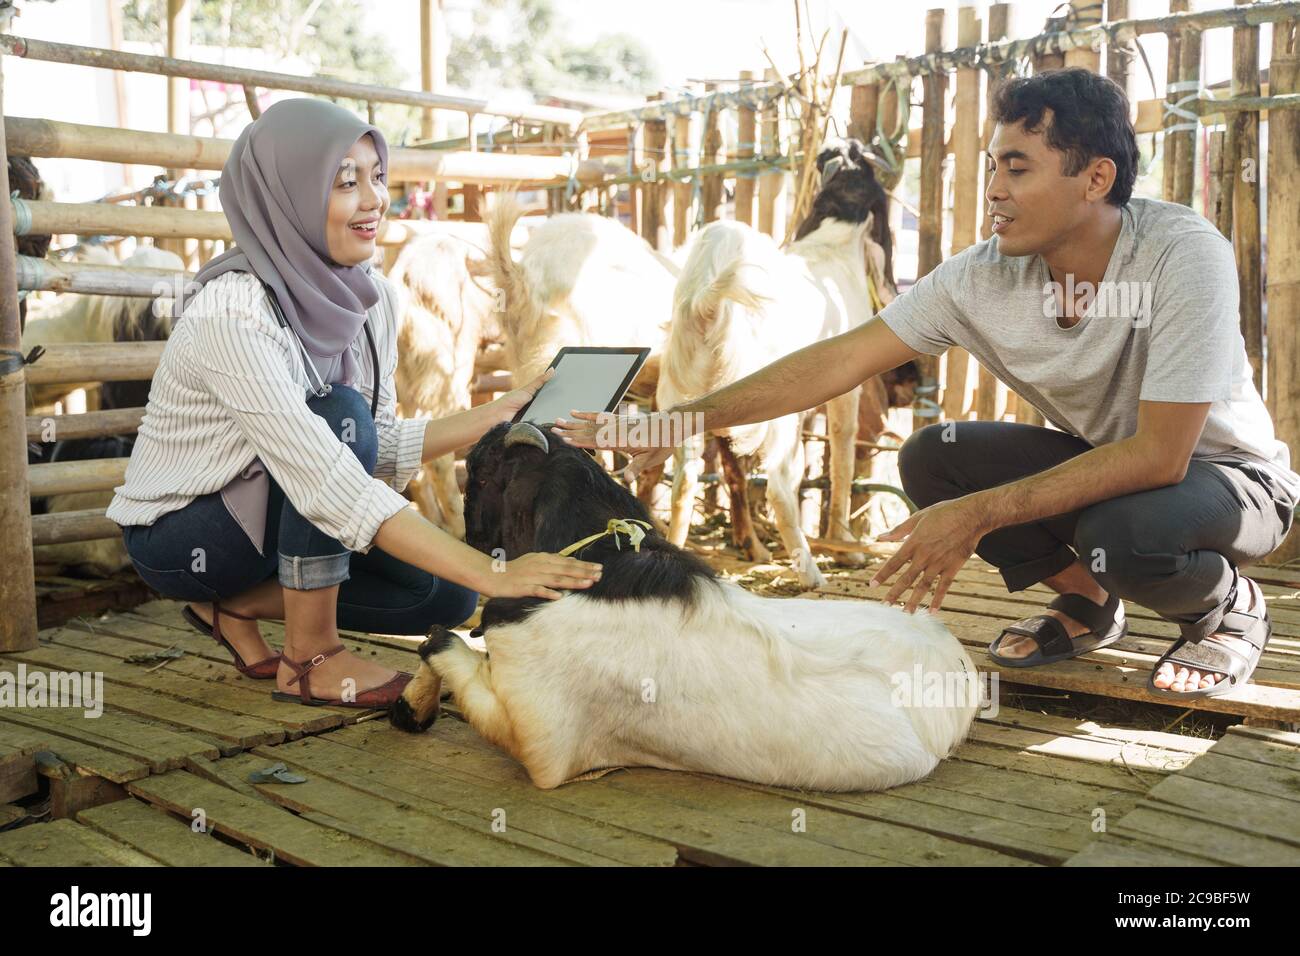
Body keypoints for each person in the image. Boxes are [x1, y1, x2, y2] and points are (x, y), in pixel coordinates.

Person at [553, 68, 1299, 702]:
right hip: (1112, 471)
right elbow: (837, 360)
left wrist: (976, 515)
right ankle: (1088, 597)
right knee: (931, 457)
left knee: (1127, 532)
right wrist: (676, 421)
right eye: (993, 167)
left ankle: (1228, 611)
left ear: (1094, 178)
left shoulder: (1180, 253)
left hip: (1228, 481)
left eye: (1018, 168)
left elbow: (1162, 456)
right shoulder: (983, 275)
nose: (994, 191)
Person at [107, 98, 601, 709]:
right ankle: (310, 657)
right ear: (286, 194)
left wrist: (500, 412)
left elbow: (376, 445)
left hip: (283, 513)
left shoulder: (371, 300)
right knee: (339, 411)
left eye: (377, 177)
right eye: (345, 182)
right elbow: (328, 475)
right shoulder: (231, 312)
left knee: (447, 597)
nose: (373, 199)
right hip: (187, 535)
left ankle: (232, 607)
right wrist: (496, 572)